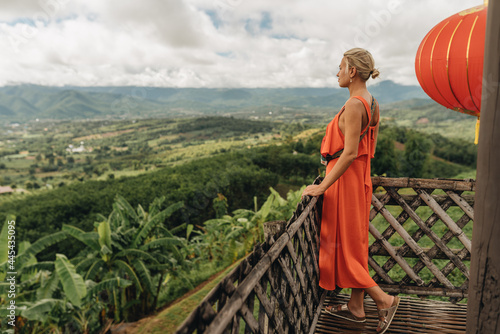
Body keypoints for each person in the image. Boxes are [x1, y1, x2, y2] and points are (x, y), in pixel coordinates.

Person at [301, 48, 399, 334]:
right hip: (359, 180)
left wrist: (322, 186)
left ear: (352, 71)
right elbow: (371, 150)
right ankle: (356, 306)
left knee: (342, 245)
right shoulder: (374, 103)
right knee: (354, 243)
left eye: (340, 67)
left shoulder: (355, 104)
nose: (337, 72)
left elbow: (350, 153)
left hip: (343, 181)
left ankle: (384, 300)